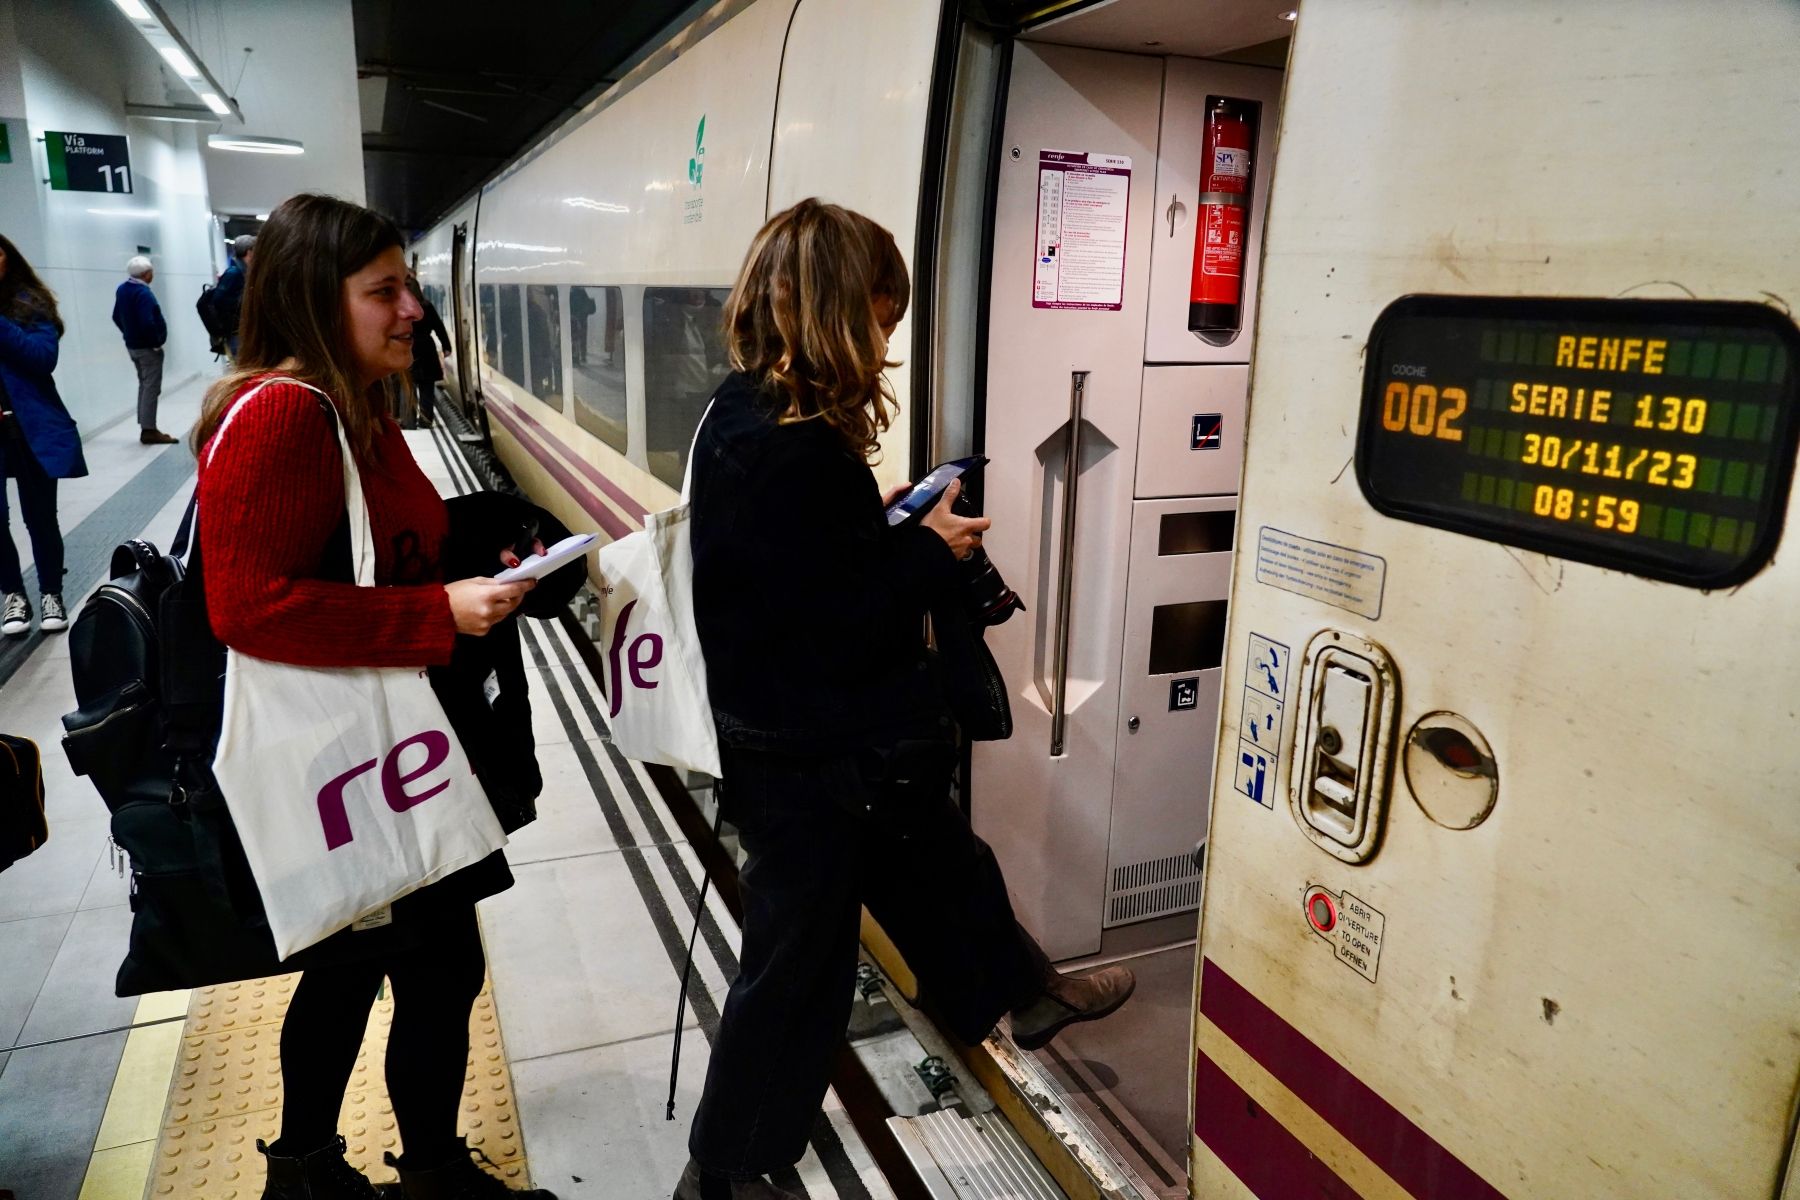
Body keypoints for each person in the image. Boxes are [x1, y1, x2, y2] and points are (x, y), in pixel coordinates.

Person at [676, 199, 1134, 1200]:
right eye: (883, 318)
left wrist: (881, 525)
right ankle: (727, 1170)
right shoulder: (795, 447)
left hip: (795, 738)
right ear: (844, 310)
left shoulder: (744, 411)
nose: (887, 343)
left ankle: (1021, 992)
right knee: (798, 970)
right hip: (811, 752)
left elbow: (795, 578)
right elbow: (842, 628)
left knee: (938, 863)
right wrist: (927, 553)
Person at [190, 194, 553, 1200]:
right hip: (361, 759)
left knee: (356, 968)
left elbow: (376, 545)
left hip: (371, 754)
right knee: (435, 973)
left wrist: (487, 538)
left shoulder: (351, 403)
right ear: (315, 300)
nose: (413, 310)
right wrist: (436, 616)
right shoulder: (289, 418)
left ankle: (307, 1168)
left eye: (411, 286)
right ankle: (427, 1173)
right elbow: (250, 605)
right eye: (384, 291)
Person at [0, 233, 85, 639]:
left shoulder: (30, 304)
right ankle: (13, 594)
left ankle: (52, 592)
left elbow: (41, 359)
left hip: (27, 428)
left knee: (40, 518)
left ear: (7, 259)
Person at [112, 255, 176, 444]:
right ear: (147, 274)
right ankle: (149, 430)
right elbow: (147, 322)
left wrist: (128, 334)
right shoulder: (143, 293)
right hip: (147, 348)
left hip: (133, 346)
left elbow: (116, 316)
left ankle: (145, 424)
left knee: (144, 384)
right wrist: (155, 342)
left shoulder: (123, 289)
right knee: (151, 387)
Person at [404, 274, 450, 428]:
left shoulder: (401, 307)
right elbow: (439, 327)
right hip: (426, 349)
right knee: (427, 389)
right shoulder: (427, 306)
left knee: (408, 388)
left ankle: (409, 422)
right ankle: (426, 420)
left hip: (407, 347)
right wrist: (446, 346)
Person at [212, 233, 254, 357]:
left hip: (240, 331)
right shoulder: (234, 273)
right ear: (249, 252)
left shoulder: (241, 271)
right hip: (235, 332)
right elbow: (218, 300)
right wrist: (244, 302)